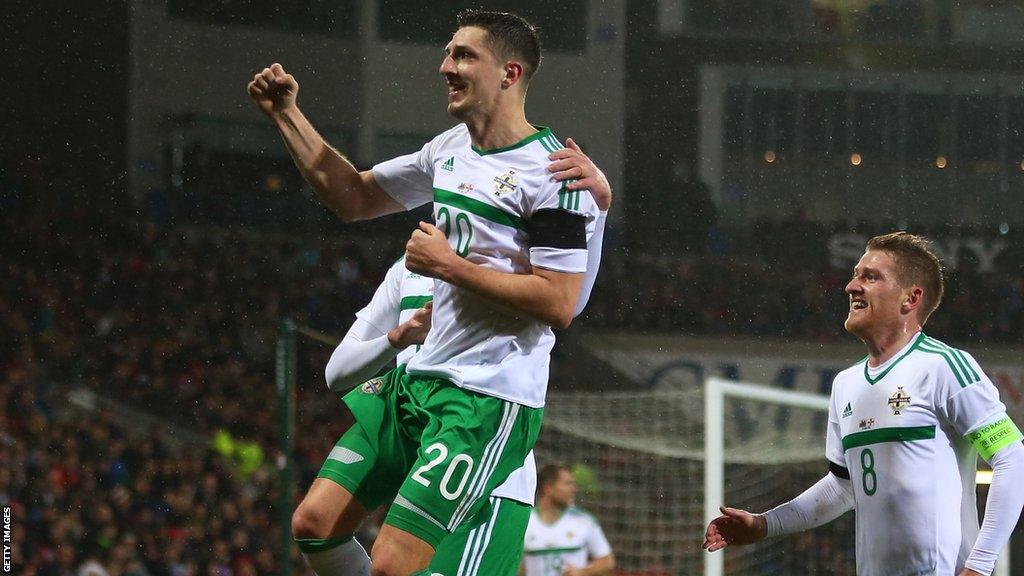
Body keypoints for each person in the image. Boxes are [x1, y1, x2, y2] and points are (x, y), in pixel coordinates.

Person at [248, 10, 607, 575]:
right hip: (415, 382)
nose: (446, 67)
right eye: (448, 53)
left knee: (394, 566)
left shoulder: (555, 175)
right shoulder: (448, 148)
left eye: (464, 56)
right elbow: (354, 197)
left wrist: (450, 266)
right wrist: (287, 115)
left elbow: (559, 302)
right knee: (313, 525)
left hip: (483, 398)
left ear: (510, 73)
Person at [702, 232, 1024, 576]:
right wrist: (765, 524)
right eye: (855, 274)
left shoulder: (943, 366)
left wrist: (979, 564)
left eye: (870, 277)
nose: (851, 286)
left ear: (910, 298)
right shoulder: (846, 384)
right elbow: (843, 485)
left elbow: (1013, 458)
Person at [522, 464, 615, 576]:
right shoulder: (526, 521)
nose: (573, 489)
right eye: (567, 484)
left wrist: (582, 572)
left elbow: (607, 561)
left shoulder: (583, 520)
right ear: (548, 488)